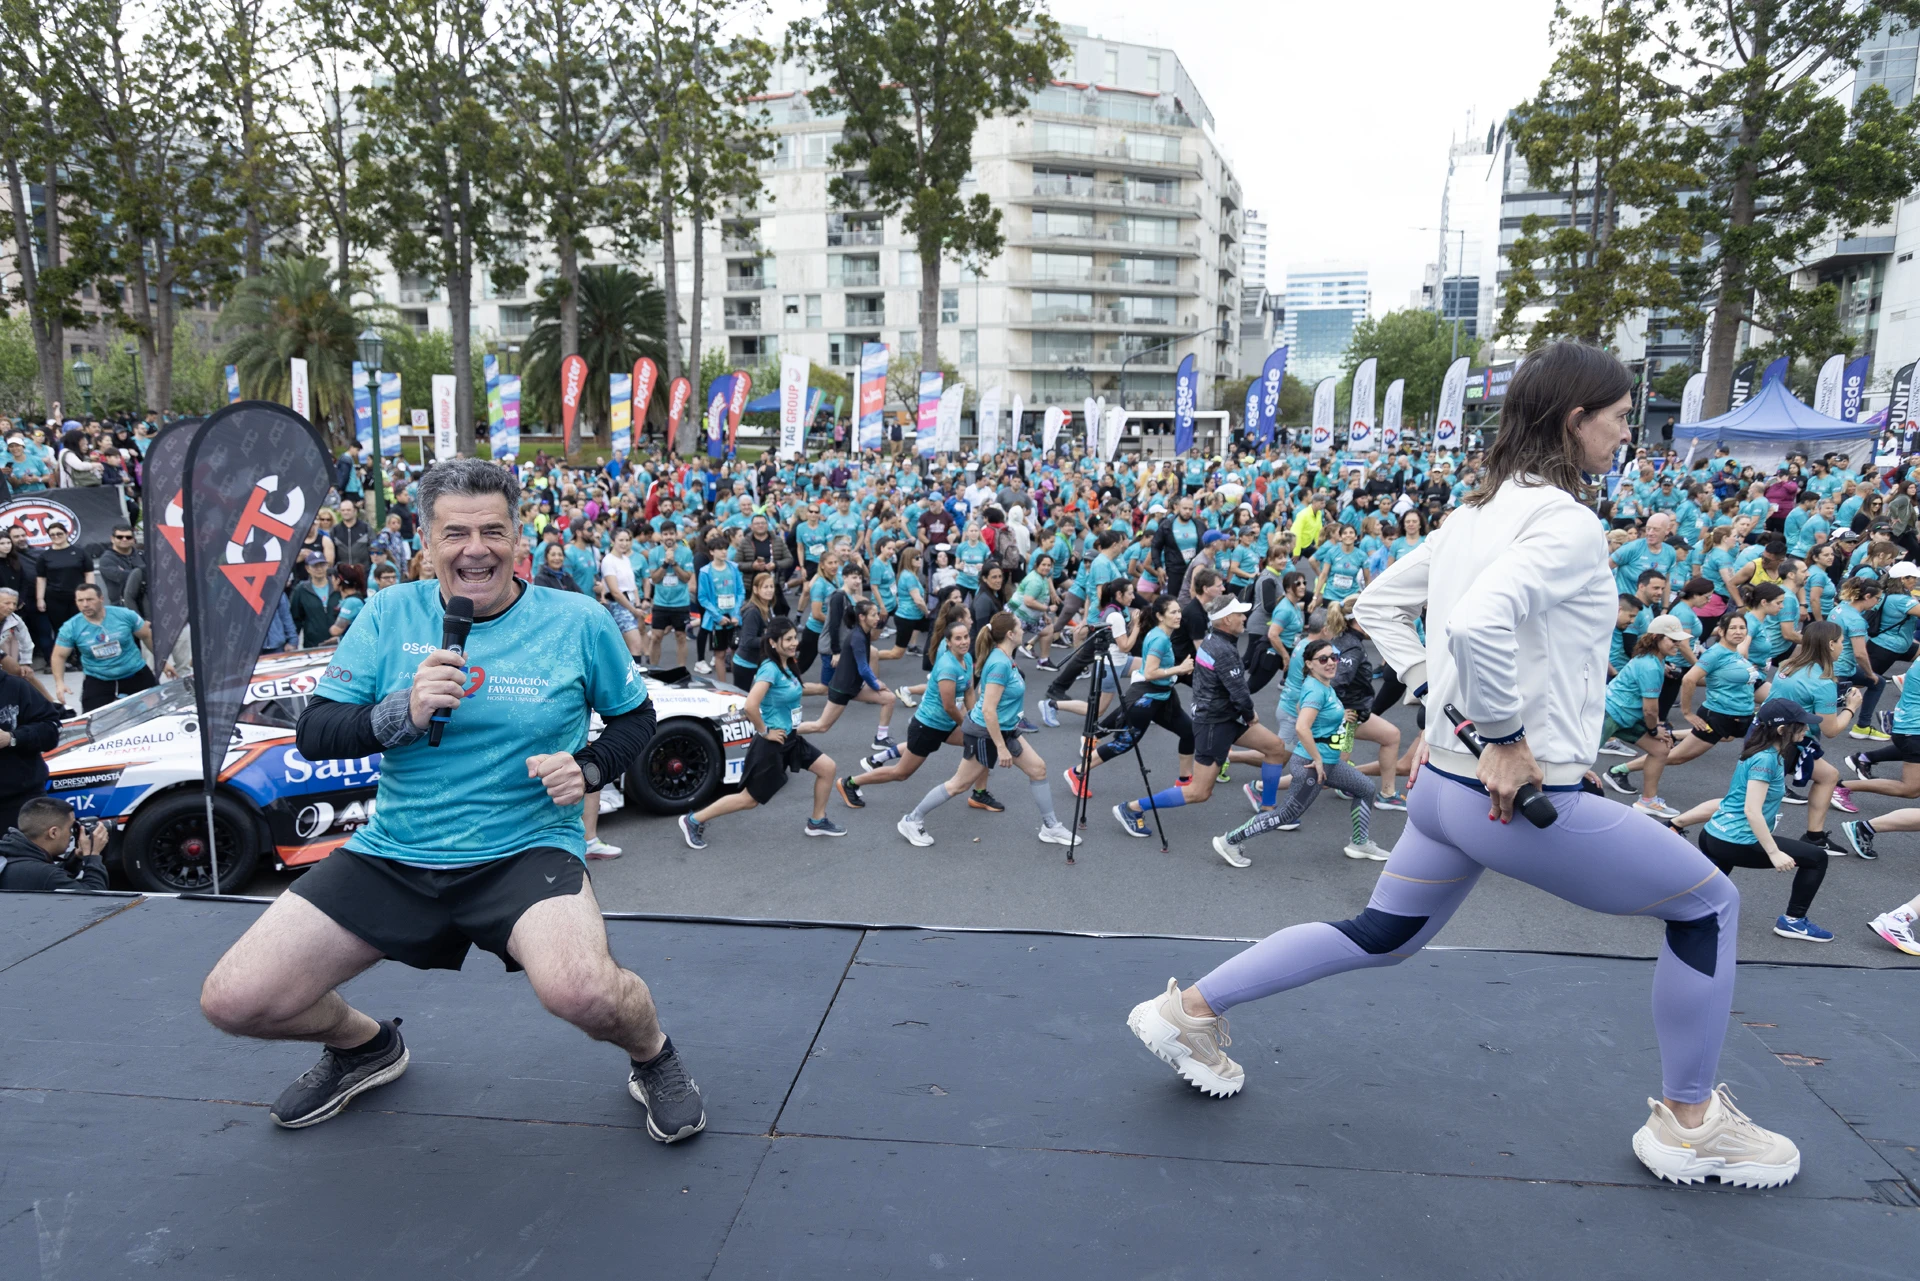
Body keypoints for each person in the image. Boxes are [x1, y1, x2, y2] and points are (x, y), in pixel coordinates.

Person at [1124, 342, 1796, 1191]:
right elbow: (1477, 624)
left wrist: (1448, 701)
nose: (1628, 433)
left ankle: (1188, 1011)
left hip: (1446, 789)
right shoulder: (1566, 521)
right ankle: (1691, 1124)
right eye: (1621, 417)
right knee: (1709, 905)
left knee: (1381, 934)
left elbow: (1377, 607)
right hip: (1508, 800)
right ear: (1574, 419)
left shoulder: (1470, 518)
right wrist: (1509, 738)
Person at [197, 458, 708, 1145]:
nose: (477, 548)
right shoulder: (387, 613)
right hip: (396, 851)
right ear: (427, 542)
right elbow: (317, 731)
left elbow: (636, 720)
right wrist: (401, 711)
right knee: (233, 999)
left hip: (525, 850)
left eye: (493, 530)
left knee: (582, 990)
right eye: (457, 532)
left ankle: (654, 1056)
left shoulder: (579, 620)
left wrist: (587, 766)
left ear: (518, 534)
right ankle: (365, 1046)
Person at [1111, 597, 1291, 838]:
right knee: (1199, 792)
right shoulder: (1224, 650)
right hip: (1213, 724)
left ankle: (1267, 808)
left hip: (1225, 716)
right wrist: (1250, 715)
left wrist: (1243, 712)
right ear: (1227, 619)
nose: (1244, 618)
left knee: (1276, 748)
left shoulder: (1213, 640)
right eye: (1240, 614)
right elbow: (1240, 694)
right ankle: (1132, 808)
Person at [895, 611, 1074, 848]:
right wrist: (1001, 748)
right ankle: (912, 819)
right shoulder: (999, 663)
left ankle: (1050, 827)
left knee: (1038, 769)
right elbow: (988, 710)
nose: (1023, 630)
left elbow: (980, 697)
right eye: (1019, 627)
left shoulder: (1004, 657)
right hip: (985, 733)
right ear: (1010, 634)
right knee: (959, 784)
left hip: (1005, 729)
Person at [1210, 636, 1387, 867]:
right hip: (1312, 766)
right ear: (1310, 664)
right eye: (1323, 659)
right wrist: (1317, 759)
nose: (1331, 662)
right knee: (1286, 814)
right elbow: (1301, 727)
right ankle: (1229, 841)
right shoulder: (1317, 690)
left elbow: (1300, 708)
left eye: (1334, 657)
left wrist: (1337, 717)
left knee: (1365, 788)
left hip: (1327, 762)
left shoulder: (1321, 684)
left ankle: (1360, 842)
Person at [678, 617, 845, 846]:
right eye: (787, 639)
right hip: (771, 744)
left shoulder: (788, 664)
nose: (794, 642)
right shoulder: (770, 669)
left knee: (827, 768)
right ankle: (693, 820)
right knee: (749, 800)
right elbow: (750, 706)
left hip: (790, 738)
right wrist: (765, 731)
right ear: (774, 643)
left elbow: (794, 690)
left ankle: (817, 821)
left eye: (794, 637)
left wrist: (828, 690)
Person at [1688, 701, 1835, 942]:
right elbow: (1752, 811)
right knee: (1817, 858)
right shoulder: (1766, 759)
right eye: (1801, 726)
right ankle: (1793, 922)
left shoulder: (1759, 749)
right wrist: (1774, 852)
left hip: (1714, 834)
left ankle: (1689, 912)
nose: (1806, 730)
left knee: (1708, 893)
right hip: (1734, 841)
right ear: (1781, 730)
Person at [837, 603, 972, 807]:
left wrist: (975, 716)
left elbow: (969, 689)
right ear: (949, 642)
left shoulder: (967, 658)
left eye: (966, 637)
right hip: (928, 726)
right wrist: (968, 724)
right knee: (901, 773)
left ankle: (979, 791)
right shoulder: (947, 666)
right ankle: (850, 782)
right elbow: (949, 706)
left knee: (978, 742)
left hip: (945, 725)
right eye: (958, 638)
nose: (964, 642)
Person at [1063, 593, 1194, 800]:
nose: (1179, 615)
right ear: (1160, 616)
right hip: (1148, 698)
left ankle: (1185, 780)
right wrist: (1179, 668)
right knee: (1123, 743)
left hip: (1164, 697)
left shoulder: (1160, 634)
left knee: (1189, 732)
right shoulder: (1159, 639)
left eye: (1179, 611)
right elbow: (1150, 673)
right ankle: (1077, 772)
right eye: (1174, 612)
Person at [52, 582, 156, 710]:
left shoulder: (124, 615)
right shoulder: (71, 627)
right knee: (93, 721)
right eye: (80, 600)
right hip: (99, 678)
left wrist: (162, 660)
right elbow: (59, 656)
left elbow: (146, 635)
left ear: (101, 599)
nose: (85, 604)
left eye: (89, 599)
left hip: (134, 672)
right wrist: (59, 683)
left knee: (157, 710)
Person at [0, 796, 110, 891]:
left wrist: (76, 858)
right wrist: (93, 855)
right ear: (53, 833)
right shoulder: (45, 874)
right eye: (70, 828)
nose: (72, 834)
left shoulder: (9, 855)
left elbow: (52, 876)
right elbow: (94, 899)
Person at [290, 553, 341, 647]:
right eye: (315, 566)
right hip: (313, 643)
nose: (319, 569)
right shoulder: (301, 590)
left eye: (322, 565)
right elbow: (295, 618)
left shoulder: (337, 585)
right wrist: (292, 641)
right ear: (307, 568)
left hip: (338, 641)